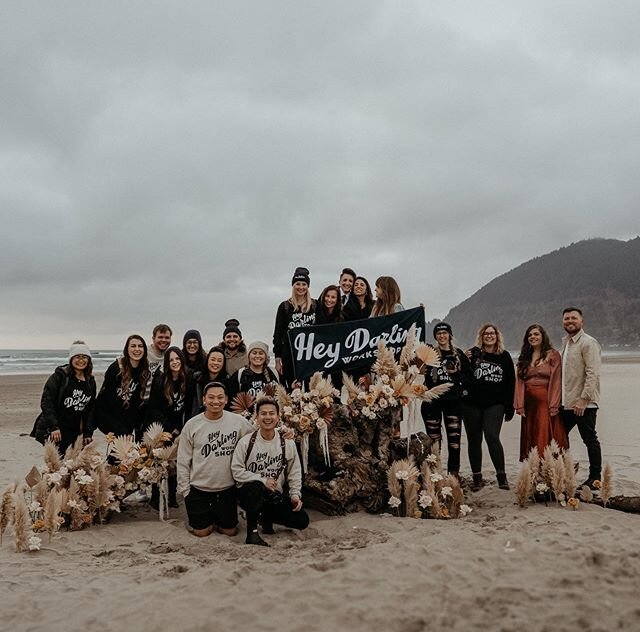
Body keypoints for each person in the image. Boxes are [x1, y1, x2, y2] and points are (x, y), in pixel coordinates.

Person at [176, 382, 255, 537]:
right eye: (211, 397)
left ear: (226, 399)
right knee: (202, 533)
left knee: (230, 531)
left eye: (220, 397)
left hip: (227, 490)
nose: (215, 401)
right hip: (198, 490)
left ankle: (220, 519)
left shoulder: (238, 422)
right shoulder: (192, 425)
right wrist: (186, 492)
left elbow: (255, 441)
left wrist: (281, 433)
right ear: (204, 400)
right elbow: (183, 461)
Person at [232, 397, 308, 546]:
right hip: (248, 494)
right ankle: (252, 534)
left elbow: (294, 472)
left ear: (278, 417)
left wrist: (294, 495)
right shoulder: (246, 442)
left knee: (302, 520)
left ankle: (264, 517)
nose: (268, 417)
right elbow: (236, 470)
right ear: (256, 417)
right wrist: (262, 480)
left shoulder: (287, 443)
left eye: (271, 413)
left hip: (273, 495)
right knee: (256, 487)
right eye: (263, 414)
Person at [463, 323, 515, 491]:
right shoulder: (474, 353)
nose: (489, 336)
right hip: (472, 403)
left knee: (492, 436)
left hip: (495, 404)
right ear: (481, 336)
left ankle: (501, 476)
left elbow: (510, 382)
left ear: (497, 336)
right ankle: (477, 477)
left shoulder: (504, 356)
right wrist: (465, 359)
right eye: (486, 333)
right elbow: (463, 375)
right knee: (474, 439)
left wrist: (510, 406)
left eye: (492, 333)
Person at [146, 347, 196, 509]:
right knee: (159, 461)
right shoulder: (160, 380)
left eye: (177, 359)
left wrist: (182, 427)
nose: (175, 362)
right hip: (162, 427)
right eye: (171, 360)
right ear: (167, 363)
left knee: (174, 462)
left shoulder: (187, 380)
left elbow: (188, 407)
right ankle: (155, 497)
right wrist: (169, 428)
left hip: (179, 427)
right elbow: (153, 408)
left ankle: (172, 496)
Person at [560, 307, 602, 488]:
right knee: (560, 438)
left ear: (581, 321)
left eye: (573, 318)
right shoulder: (566, 343)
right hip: (567, 403)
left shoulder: (588, 343)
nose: (570, 321)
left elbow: (593, 373)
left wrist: (584, 399)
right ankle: (564, 471)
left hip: (584, 404)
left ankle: (595, 477)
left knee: (590, 439)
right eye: (566, 319)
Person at [421, 323, 470, 478]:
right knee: (434, 442)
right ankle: (436, 474)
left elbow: (469, 377)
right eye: (439, 333)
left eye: (445, 333)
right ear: (435, 336)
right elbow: (419, 371)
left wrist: (456, 375)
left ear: (450, 335)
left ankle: (453, 475)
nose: (442, 336)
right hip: (432, 402)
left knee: (454, 441)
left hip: (453, 402)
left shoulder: (459, 355)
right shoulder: (430, 354)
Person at [30, 341, 97, 455]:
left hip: (75, 430)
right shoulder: (60, 377)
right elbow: (47, 402)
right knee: (57, 465)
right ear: (71, 359)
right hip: (57, 429)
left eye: (84, 357)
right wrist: (54, 427)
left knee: (74, 465)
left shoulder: (90, 381)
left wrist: (87, 433)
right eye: (77, 356)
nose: (81, 360)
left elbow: (90, 409)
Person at [515, 324, 567, 461]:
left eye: (536, 334)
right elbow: (520, 382)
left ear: (543, 336)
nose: (533, 337)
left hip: (546, 403)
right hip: (528, 404)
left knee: (543, 434)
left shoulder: (553, 355)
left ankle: (547, 468)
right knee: (531, 435)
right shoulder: (524, 357)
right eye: (530, 335)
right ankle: (534, 468)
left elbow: (556, 380)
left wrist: (554, 404)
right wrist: (519, 405)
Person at [95, 334, 151, 439]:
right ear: (127, 349)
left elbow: (138, 403)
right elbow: (106, 400)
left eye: (140, 346)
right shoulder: (116, 368)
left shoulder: (144, 371)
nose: (137, 349)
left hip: (128, 423)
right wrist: (119, 430)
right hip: (110, 419)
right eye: (133, 346)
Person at [273, 266, 317, 389]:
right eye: (298, 284)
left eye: (304, 284)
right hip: (290, 355)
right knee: (292, 392)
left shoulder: (315, 305)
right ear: (293, 285)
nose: (301, 287)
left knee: (311, 393)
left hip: (310, 356)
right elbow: (278, 333)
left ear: (308, 286)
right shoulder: (285, 306)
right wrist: (277, 359)